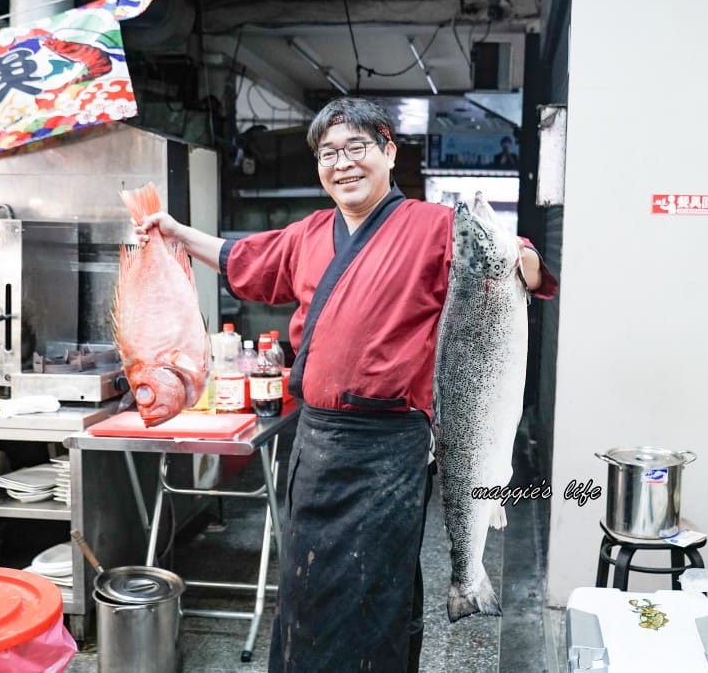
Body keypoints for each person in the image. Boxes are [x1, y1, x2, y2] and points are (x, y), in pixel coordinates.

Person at [134, 96, 557, 672]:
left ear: (388, 152)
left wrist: (523, 261)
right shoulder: (309, 233)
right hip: (316, 443)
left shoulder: (435, 226)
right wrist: (177, 233)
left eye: (357, 148)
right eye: (328, 153)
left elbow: (511, 259)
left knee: (375, 595)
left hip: (391, 446)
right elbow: (242, 259)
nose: (343, 164)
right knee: (307, 588)